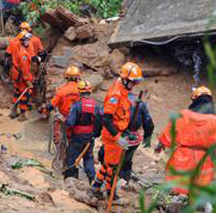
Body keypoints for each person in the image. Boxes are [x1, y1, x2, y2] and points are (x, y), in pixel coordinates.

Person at [155, 86, 216, 199]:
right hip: (204, 160)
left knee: (181, 187)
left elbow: (169, 132)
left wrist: (161, 144)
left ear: (195, 101)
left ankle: (180, 202)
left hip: (182, 157)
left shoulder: (184, 115)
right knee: (200, 187)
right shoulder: (215, 121)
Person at [91, 62, 144, 200]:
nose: (135, 85)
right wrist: (118, 137)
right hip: (112, 136)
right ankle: (111, 194)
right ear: (125, 79)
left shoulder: (123, 90)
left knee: (107, 164)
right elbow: (106, 120)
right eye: (133, 82)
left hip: (118, 132)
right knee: (112, 168)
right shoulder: (116, 94)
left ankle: (96, 186)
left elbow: (121, 116)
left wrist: (125, 132)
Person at [98, 91, 154, 185]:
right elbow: (148, 122)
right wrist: (147, 138)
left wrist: (97, 131)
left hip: (117, 135)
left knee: (108, 158)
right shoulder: (140, 104)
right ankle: (120, 182)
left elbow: (104, 117)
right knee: (125, 161)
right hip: (131, 138)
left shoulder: (117, 102)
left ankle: (112, 183)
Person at [64, 80, 103, 183]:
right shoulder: (97, 106)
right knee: (88, 157)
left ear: (79, 92)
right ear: (89, 92)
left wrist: (64, 120)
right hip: (90, 136)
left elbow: (70, 123)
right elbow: (101, 120)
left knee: (71, 156)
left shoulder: (76, 106)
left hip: (77, 136)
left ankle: (72, 179)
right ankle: (92, 179)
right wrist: (96, 133)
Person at [46, 66, 81, 145]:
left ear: (66, 77)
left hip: (64, 118)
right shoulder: (81, 90)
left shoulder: (61, 90)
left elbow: (52, 105)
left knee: (60, 139)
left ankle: (61, 153)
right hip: (78, 119)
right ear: (78, 77)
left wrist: (45, 109)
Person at [9, 31, 34, 121]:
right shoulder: (23, 54)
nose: (29, 42)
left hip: (16, 73)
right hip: (21, 76)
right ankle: (22, 115)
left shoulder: (17, 48)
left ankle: (14, 111)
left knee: (17, 92)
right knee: (24, 95)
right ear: (22, 41)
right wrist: (28, 81)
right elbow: (25, 70)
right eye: (27, 40)